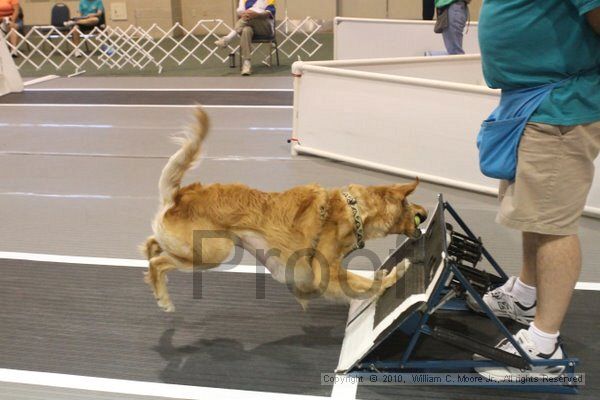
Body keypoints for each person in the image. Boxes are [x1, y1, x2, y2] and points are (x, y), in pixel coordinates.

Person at [470, 0, 600, 381]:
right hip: (534, 101)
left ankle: (544, 346)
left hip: (560, 104)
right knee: (537, 212)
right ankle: (525, 296)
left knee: (553, 225)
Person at [214, 0, 276, 76]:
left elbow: (270, 13)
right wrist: (246, 13)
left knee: (249, 18)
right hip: (249, 24)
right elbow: (240, 12)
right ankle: (247, 63)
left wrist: (256, 15)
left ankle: (227, 38)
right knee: (246, 30)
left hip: (265, 28)